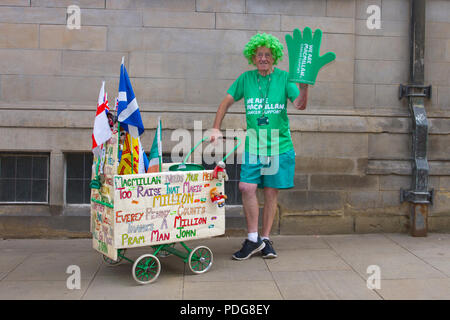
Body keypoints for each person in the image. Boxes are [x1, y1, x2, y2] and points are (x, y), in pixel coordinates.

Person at [210, 33, 309, 260]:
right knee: (246, 187)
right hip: (254, 146)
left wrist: (304, 87)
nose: (263, 58)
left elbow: (300, 105)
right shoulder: (246, 79)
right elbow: (225, 102)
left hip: (279, 145)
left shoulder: (285, 79)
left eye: (267, 54)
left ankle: (264, 239)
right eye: (259, 55)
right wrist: (216, 127)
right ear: (253, 58)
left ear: (274, 57)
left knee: (271, 193)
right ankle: (252, 237)